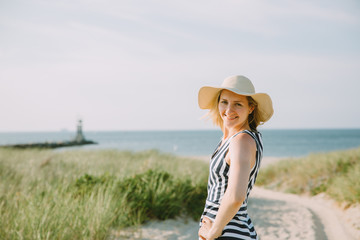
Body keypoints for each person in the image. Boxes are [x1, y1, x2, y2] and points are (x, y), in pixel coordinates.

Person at [197, 75, 273, 240]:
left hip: (228, 233)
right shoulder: (233, 139)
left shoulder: (242, 140)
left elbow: (235, 196)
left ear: (251, 108)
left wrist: (213, 232)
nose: (229, 110)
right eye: (224, 102)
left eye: (238, 104)